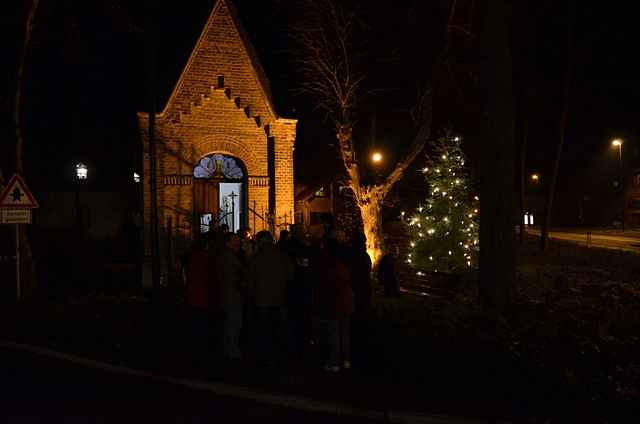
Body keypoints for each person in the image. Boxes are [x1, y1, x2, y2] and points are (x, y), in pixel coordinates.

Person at [247, 231, 293, 367]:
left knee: (264, 328)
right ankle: (281, 354)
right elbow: (290, 275)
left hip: (262, 299)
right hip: (280, 298)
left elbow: (250, 280)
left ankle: (267, 355)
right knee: (279, 327)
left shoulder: (257, 259)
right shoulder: (282, 256)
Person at [314, 237, 353, 372]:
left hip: (335, 302)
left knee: (334, 333)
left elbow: (325, 285)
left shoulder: (329, 265)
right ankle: (346, 360)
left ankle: (335, 362)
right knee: (344, 332)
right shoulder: (345, 263)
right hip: (345, 301)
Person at [184, 234, 214, 360]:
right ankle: (202, 350)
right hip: (204, 296)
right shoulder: (207, 258)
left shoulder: (190, 257)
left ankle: (194, 348)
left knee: (195, 323)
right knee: (203, 324)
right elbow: (211, 277)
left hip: (192, 295)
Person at [218, 232, 246, 361]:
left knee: (232, 323)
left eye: (238, 240)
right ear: (227, 243)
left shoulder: (230, 256)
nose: (238, 242)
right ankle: (231, 351)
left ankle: (229, 349)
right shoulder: (229, 258)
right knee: (233, 324)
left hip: (231, 295)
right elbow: (234, 277)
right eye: (235, 240)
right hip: (232, 295)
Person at [349, 232, 372, 368]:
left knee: (357, 318)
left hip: (356, 290)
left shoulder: (353, 255)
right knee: (362, 316)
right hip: (363, 290)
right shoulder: (363, 255)